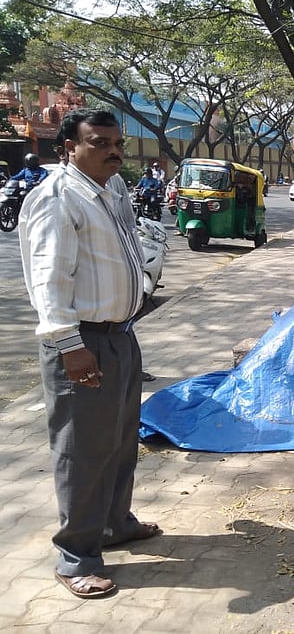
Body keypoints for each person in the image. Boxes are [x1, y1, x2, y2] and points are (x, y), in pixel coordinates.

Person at [18, 109, 161, 600]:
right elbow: (48, 281)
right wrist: (70, 348)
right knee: (82, 449)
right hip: (82, 344)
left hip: (120, 336)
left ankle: (115, 524)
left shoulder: (110, 191)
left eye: (116, 142)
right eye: (99, 142)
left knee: (121, 441)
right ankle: (75, 555)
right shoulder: (56, 198)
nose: (113, 150)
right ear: (68, 149)